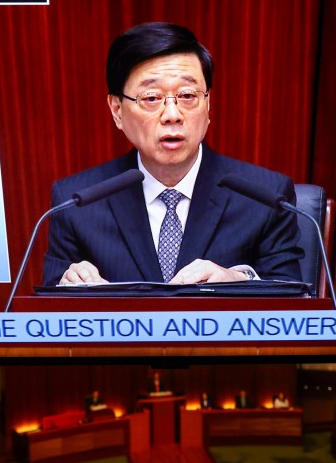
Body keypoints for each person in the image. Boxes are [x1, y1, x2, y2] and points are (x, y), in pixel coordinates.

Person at [42, 21, 303, 286]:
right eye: (152, 98)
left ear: (208, 104)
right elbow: (48, 312)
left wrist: (239, 279)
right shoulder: (77, 202)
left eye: (187, 95)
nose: (172, 115)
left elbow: (292, 298)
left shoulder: (265, 197)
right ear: (117, 110)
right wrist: (68, 288)